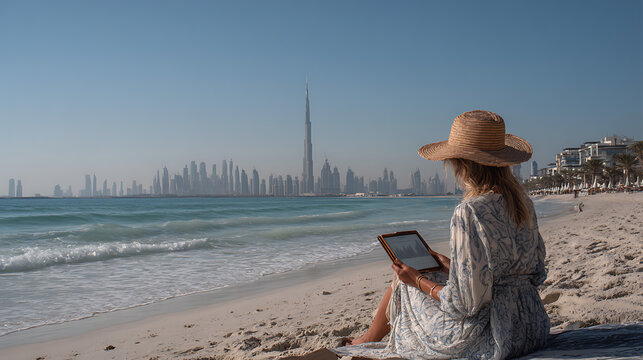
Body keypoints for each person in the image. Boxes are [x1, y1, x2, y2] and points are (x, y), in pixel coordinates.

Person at [333, 110, 550, 359]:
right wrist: (452, 267)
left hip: (494, 338)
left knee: (405, 282)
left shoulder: (469, 211)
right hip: (531, 327)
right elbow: (535, 274)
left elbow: (465, 304)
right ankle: (367, 337)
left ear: (460, 163)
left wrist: (417, 281)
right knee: (425, 271)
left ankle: (366, 340)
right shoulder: (523, 205)